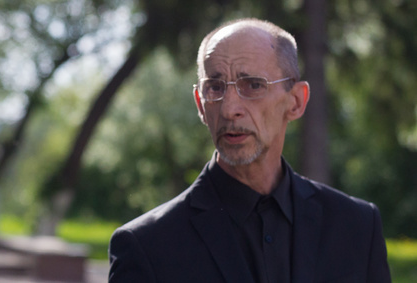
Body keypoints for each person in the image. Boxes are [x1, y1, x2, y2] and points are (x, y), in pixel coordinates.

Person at [108, 18, 391, 282]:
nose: (230, 109)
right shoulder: (147, 246)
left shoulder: (358, 228)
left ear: (296, 101)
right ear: (200, 105)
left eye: (254, 85)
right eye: (215, 87)